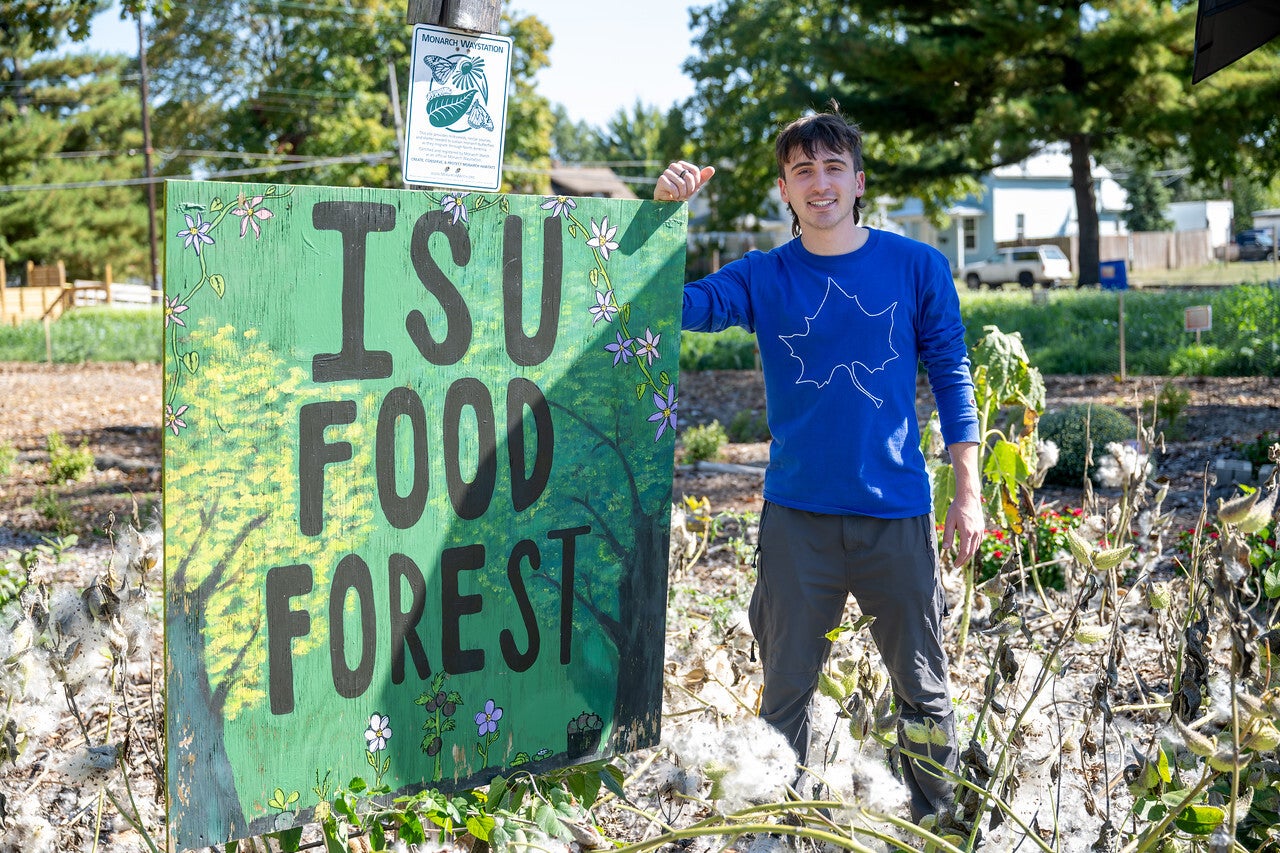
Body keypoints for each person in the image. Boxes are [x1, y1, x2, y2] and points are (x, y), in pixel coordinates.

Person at [654, 110, 983, 822]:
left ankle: (939, 823)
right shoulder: (765, 276)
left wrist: (968, 487)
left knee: (923, 690)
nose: (820, 182)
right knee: (786, 694)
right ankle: (776, 826)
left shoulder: (916, 266)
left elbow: (953, 371)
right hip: (798, 520)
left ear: (858, 181)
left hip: (896, 514)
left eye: (834, 167)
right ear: (784, 189)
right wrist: (663, 219)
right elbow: (678, 307)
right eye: (803, 170)